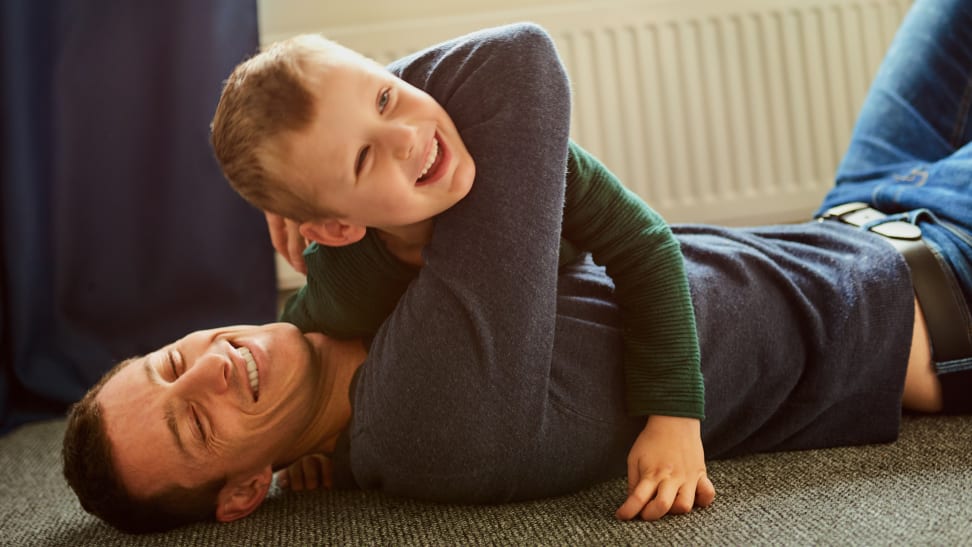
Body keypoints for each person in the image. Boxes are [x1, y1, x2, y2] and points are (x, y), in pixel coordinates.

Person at [61, 0, 972, 535]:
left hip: (857, 213)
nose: (215, 368)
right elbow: (517, 69)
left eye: (175, 362)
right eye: (193, 423)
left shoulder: (336, 293)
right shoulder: (425, 418)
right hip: (933, 296)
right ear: (242, 490)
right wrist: (320, 142)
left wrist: (302, 129)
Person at [208, 27, 709, 511]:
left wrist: (674, 419)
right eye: (362, 157)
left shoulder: (519, 159)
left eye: (385, 98)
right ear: (338, 229)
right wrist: (326, 456)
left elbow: (645, 246)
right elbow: (307, 345)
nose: (405, 136)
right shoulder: (344, 281)